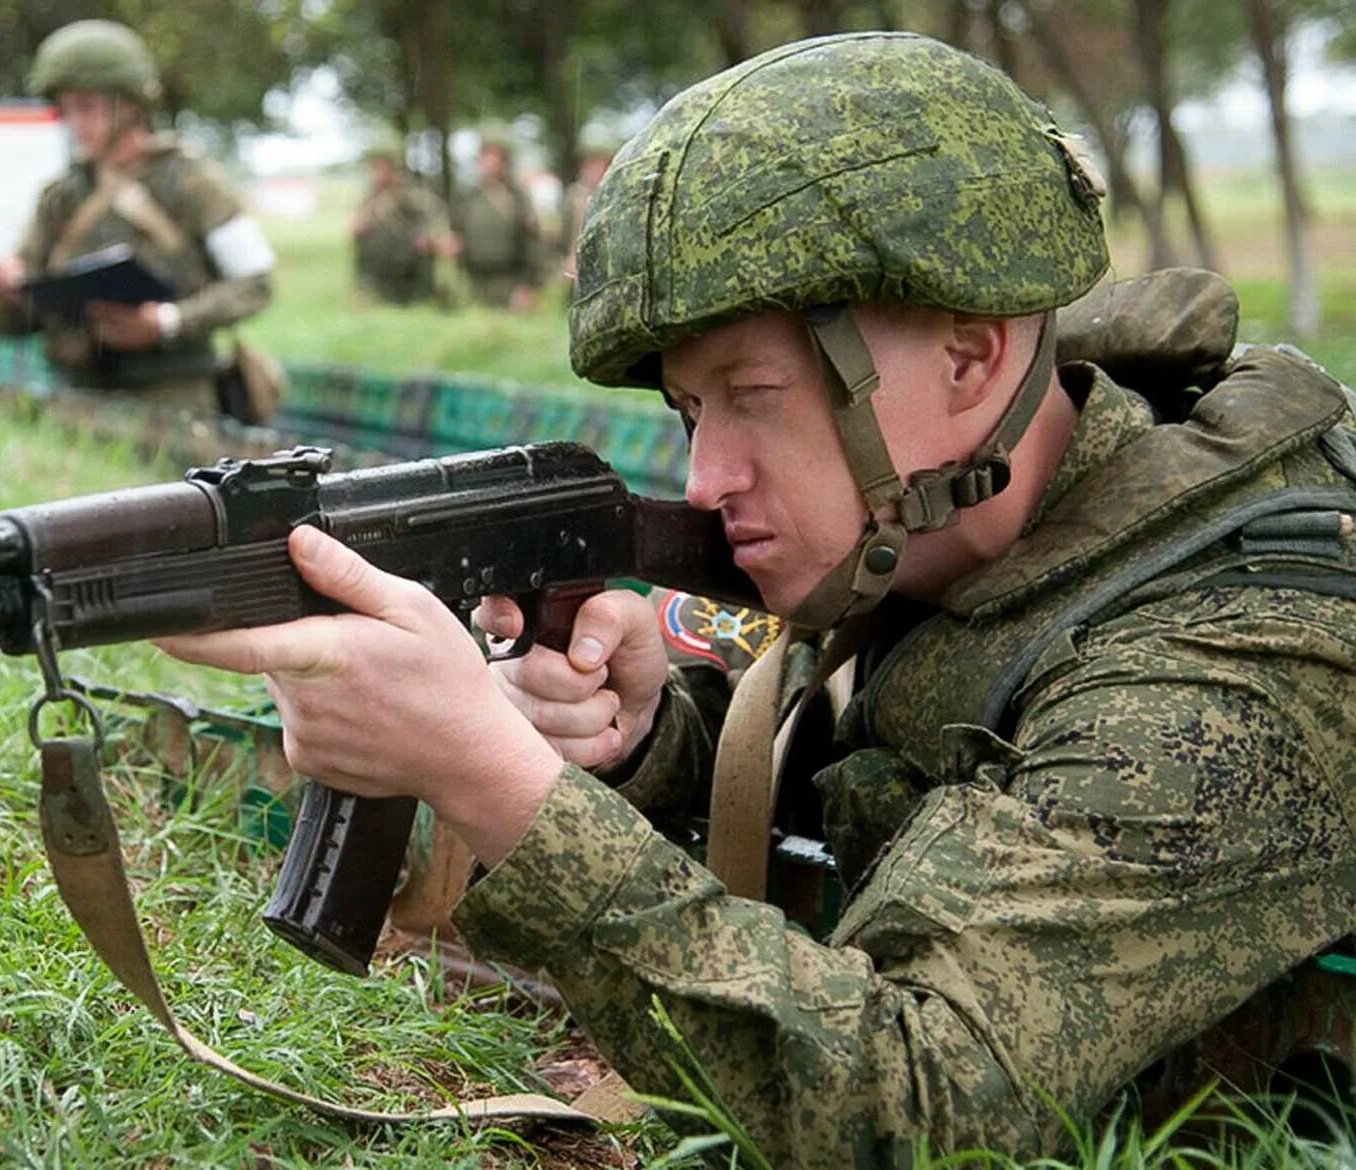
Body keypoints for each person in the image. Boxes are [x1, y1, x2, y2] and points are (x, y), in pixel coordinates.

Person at [159, 32, 1356, 1165]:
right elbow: (912, 715)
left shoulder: (1226, 663)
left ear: (970, 356)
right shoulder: (975, 518)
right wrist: (646, 735)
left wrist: (490, 778)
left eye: (753, 394)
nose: (703, 478)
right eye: (689, 412)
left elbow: (909, 1111)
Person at [0, 20, 275, 414]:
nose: (75, 122)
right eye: (65, 107)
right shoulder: (61, 196)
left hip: (173, 397)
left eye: (86, 105)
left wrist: (168, 322)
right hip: (76, 399)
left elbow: (256, 283)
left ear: (130, 104)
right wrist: (8, 295)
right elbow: (19, 316)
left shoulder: (192, 182)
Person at [449, 123, 545, 312]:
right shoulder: (467, 195)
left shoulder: (517, 196)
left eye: (496, 157)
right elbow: (455, 236)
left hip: (509, 284)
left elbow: (532, 245)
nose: (490, 162)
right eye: (486, 155)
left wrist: (527, 288)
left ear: (506, 161)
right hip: (473, 283)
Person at [349, 130, 448, 307]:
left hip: (410, 274)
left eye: (382, 166)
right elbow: (359, 235)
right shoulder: (370, 199)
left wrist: (429, 238)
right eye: (374, 167)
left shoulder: (411, 194)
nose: (377, 173)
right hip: (378, 275)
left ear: (394, 167)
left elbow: (436, 218)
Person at [556, 127, 619, 297]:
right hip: (576, 273)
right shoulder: (574, 197)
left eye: (603, 164)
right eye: (592, 164)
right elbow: (561, 236)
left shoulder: (617, 196)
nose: (597, 171)